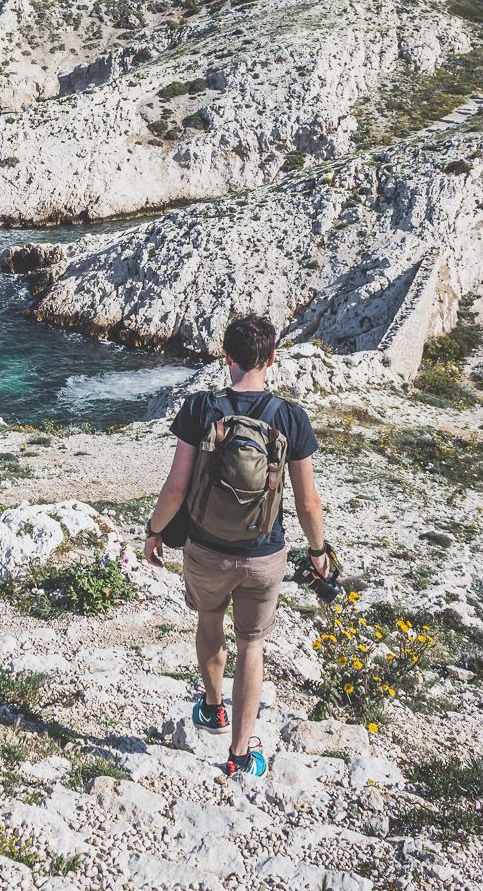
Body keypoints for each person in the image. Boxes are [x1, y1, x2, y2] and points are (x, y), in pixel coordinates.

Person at [144, 313, 330, 777]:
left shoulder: (200, 408)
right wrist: (318, 550)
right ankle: (241, 755)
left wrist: (153, 531)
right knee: (252, 644)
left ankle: (211, 708)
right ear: (271, 359)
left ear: (225, 357)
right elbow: (308, 501)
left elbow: (175, 489)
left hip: (205, 548)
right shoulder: (291, 417)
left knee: (209, 619)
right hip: (265, 553)